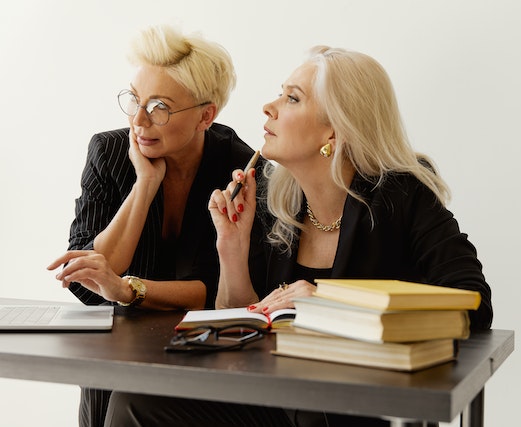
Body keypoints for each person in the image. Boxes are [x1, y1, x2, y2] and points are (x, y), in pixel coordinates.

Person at [104, 46, 493, 427]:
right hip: (279, 401)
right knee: (136, 400)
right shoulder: (274, 197)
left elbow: (474, 303)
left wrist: (327, 303)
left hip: (351, 408)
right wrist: (232, 251)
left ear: (334, 129)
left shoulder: (402, 195)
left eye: (292, 98)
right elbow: (240, 321)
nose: (268, 107)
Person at [47, 25, 263, 427]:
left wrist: (129, 290)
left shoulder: (238, 167)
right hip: (122, 339)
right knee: (104, 385)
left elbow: (216, 290)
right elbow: (88, 282)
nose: (140, 120)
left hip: (203, 344)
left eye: (160, 106)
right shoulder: (109, 151)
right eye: (134, 100)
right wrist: (144, 187)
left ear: (206, 116)